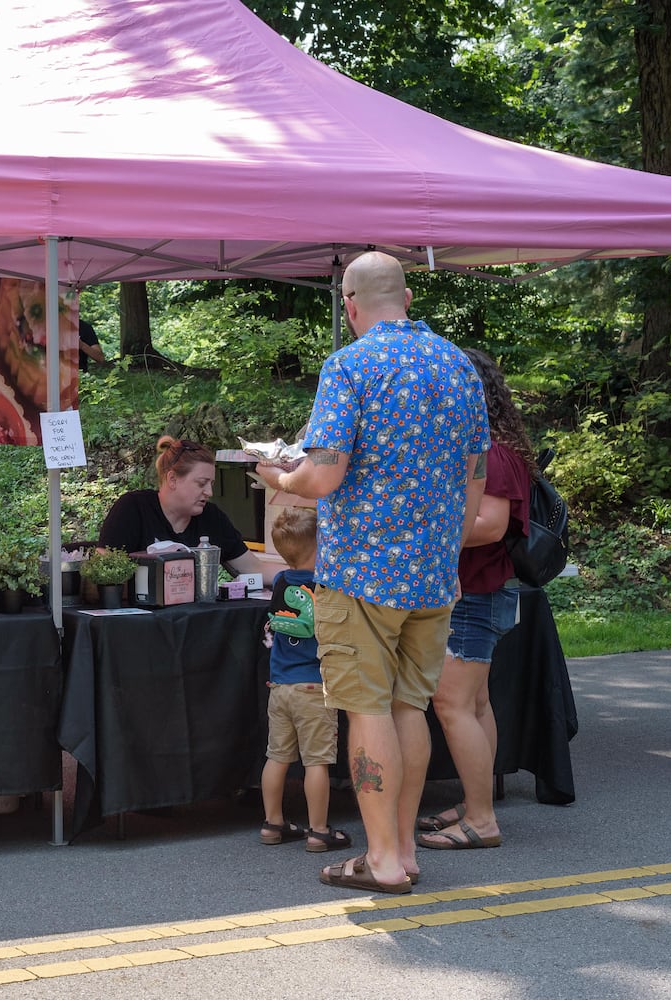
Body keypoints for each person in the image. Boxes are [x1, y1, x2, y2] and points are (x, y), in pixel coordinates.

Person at [254, 251, 488, 895]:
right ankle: (405, 848)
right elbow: (475, 475)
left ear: (349, 303)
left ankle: (382, 860)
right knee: (409, 706)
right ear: (407, 297)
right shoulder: (459, 365)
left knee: (366, 710)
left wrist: (276, 475)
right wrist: (451, 551)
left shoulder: (349, 365)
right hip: (432, 574)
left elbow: (322, 474)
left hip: (361, 572)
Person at [417, 348, 533, 851]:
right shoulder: (484, 446)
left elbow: (491, 525)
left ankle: (482, 820)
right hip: (477, 590)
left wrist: (423, 527)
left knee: (452, 704)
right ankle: (475, 803)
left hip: (475, 591)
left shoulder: (493, 454)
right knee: (475, 702)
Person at [259, 506, 352, 853]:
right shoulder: (328, 583)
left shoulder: (282, 581)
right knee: (316, 763)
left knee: (277, 756)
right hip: (314, 686)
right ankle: (318, 829)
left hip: (280, 685)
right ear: (319, 547)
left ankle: (272, 823)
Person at [98, 435, 266, 578]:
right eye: (201, 483)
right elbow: (103, 571)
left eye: (211, 484)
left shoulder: (212, 517)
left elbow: (253, 568)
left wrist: (291, 575)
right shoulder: (132, 509)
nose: (209, 492)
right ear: (172, 479)